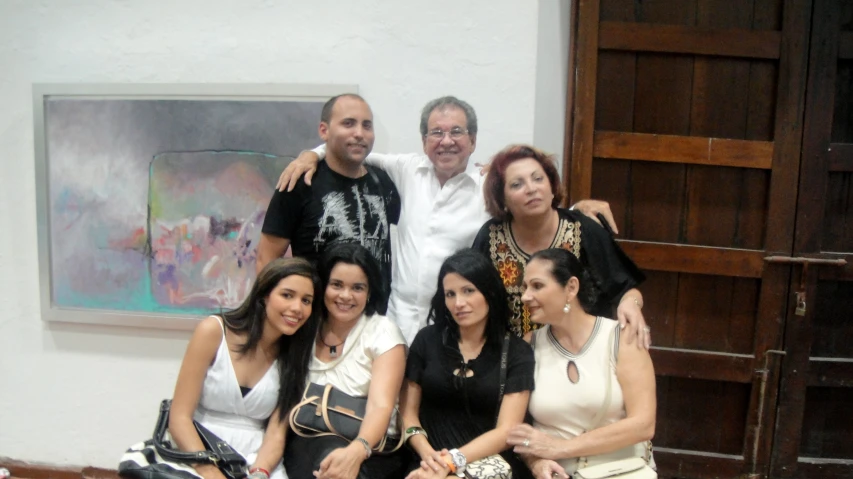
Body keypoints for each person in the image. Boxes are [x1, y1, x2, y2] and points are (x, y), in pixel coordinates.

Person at [277, 96, 618, 344]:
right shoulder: (405, 169)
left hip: (453, 322)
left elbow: (534, 206)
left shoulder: (490, 185)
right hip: (392, 319)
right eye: (436, 132)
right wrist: (311, 154)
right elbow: (353, 148)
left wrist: (578, 208)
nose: (447, 141)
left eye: (457, 131)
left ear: (473, 140)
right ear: (424, 140)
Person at [472, 144, 650, 345]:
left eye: (538, 179)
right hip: (510, 362)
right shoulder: (491, 237)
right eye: (516, 185)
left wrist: (630, 303)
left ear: (551, 186)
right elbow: (471, 295)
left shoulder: (584, 230)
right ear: (502, 199)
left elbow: (626, 288)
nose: (531, 189)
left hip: (580, 355)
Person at [507, 248, 656, 479]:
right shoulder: (528, 346)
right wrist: (536, 461)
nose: (526, 296)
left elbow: (644, 424)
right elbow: (518, 429)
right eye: (525, 287)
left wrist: (561, 448)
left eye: (537, 286)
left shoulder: (622, 337)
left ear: (571, 287)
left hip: (622, 470)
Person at [168, 257, 322, 479]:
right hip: (196, 449)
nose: (297, 308)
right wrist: (209, 470)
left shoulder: (296, 356)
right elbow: (179, 417)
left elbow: (276, 434)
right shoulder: (213, 331)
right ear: (264, 295)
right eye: (287, 295)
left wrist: (260, 471)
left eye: (306, 301)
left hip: (255, 458)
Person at [257, 93, 401, 312]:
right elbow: (266, 258)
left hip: (374, 325)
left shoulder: (384, 182)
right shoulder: (299, 182)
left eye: (367, 126)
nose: (359, 134)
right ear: (324, 130)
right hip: (313, 324)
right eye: (348, 123)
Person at [401, 249, 535, 479]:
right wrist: (428, 455)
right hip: (427, 460)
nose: (458, 303)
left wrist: (451, 462)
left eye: (468, 291)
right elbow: (407, 412)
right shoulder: (427, 339)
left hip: (486, 465)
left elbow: (506, 431)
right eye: (450, 294)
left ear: (489, 292)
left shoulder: (516, 351)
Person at [283, 243, 408, 479]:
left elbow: (381, 406)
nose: (345, 296)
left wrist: (356, 450)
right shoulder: (306, 327)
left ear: (370, 292)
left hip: (370, 445)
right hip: (307, 438)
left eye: (357, 287)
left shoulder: (382, 331)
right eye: (337, 285)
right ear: (323, 287)